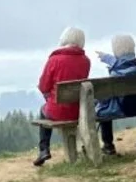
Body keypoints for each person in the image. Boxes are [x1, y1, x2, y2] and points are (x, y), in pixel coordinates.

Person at [33, 26, 92, 166]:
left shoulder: (54, 60)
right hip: (80, 110)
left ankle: (44, 149)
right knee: (52, 107)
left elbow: (43, 86)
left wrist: (49, 97)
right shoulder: (86, 61)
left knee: (43, 110)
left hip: (58, 111)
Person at [93, 34, 136, 156]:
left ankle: (108, 145)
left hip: (122, 107)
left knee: (103, 111)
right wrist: (108, 58)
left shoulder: (116, 72)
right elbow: (123, 64)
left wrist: (99, 102)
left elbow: (107, 95)